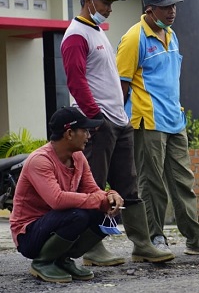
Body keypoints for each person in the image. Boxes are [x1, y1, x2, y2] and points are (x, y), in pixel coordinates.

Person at [61, 0, 175, 265]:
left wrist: (120, 116)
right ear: (89, 0)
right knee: (95, 186)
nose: (110, 7)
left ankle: (142, 244)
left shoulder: (96, 31)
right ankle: (92, 249)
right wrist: (94, 116)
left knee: (130, 186)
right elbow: (75, 81)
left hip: (118, 120)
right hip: (99, 122)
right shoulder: (76, 35)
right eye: (106, 1)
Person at [115, 0, 199, 255]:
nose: (172, 11)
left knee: (183, 182)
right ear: (149, 10)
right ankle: (154, 238)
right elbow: (121, 85)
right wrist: (120, 122)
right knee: (151, 183)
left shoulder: (171, 35)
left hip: (174, 119)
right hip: (148, 120)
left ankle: (196, 239)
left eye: (174, 6)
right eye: (165, 7)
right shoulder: (134, 38)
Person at [10, 107, 125, 283]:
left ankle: (62, 259)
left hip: (56, 222)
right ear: (69, 133)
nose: (89, 135)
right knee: (77, 215)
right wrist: (97, 200)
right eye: (85, 131)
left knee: (109, 213)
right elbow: (57, 200)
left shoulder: (78, 157)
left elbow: (92, 190)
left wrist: (110, 196)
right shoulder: (40, 160)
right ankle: (42, 262)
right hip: (30, 235)